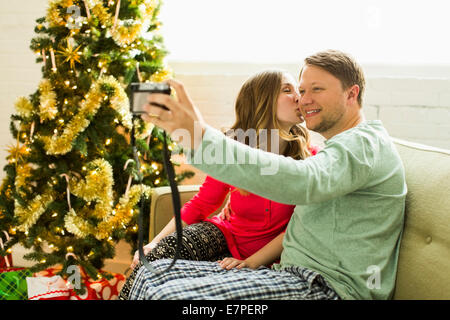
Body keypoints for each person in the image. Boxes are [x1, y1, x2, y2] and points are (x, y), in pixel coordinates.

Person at [129, 50, 407, 300]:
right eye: (301, 90)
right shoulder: (335, 151)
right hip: (289, 273)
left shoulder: (363, 144)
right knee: (151, 273)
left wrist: (202, 138)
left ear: (351, 93)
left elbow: (303, 181)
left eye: (317, 89)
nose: (304, 99)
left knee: (168, 296)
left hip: (326, 287)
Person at [118, 70, 318, 300]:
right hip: (225, 233)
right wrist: (153, 243)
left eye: (298, 90)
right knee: (155, 257)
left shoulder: (311, 160)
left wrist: (250, 263)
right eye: (287, 90)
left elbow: (295, 230)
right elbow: (201, 205)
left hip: (268, 256)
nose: (299, 97)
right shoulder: (234, 148)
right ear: (263, 101)